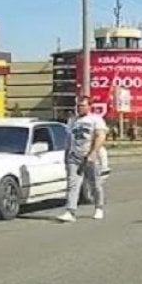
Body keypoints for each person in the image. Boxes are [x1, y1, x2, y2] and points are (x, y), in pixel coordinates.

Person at [57, 95, 108, 223]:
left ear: (89, 106)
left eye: (82, 105)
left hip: (91, 156)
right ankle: (70, 211)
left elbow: (100, 136)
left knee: (95, 183)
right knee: (72, 184)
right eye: (78, 106)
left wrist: (93, 153)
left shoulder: (96, 120)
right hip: (74, 156)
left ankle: (99, 207)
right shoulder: (72, 120)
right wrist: (66, 154)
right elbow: (69, 139)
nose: (79, 108)